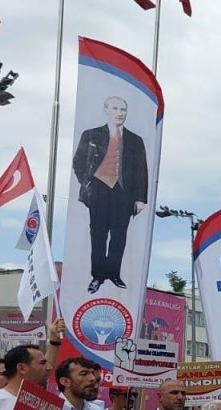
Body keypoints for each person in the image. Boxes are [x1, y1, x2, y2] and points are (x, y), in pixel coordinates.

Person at [71, 95, 149, 293]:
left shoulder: (135, 140)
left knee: (119, 235)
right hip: (98, 189)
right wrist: (88, 183)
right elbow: (78, 162)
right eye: (115, 109)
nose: (120, 113)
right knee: (97, 234)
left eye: (123, 110)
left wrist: (140, 198)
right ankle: (98, 276)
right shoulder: (91, 135)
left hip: (124, 193)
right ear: (106, 110)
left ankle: (114, 273)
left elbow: (141, 170)